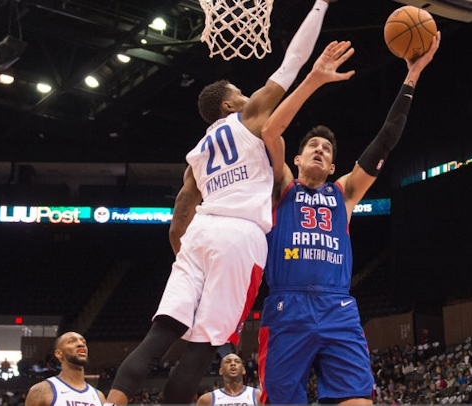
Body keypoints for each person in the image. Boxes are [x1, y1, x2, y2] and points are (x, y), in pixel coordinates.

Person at [104, 1, 335, 405]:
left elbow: (178, 223)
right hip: (240, 237)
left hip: (199, 235)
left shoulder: (196, 154)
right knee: (202, 348)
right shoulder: (248, 119)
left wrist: (192, 260)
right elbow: (291, 63)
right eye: (240, 94)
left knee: (159, 336)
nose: (248, 97)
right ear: (228, 105)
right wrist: (320, 6)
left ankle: (112, 402)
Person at [257, 32, 441, 405]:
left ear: (333, 165)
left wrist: (413, 74)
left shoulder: (345, 193)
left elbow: (386, 139)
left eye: (326, 149)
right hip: (286, 309)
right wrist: (315, 78)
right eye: (313, 146)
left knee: (359, 400)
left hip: (337, 308)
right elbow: (269, 130)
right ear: (297, 159)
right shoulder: (282, 189)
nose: (320, 151)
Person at [24, 332, 106, 406]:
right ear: (59, 354)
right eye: (71, 341)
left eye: (83, 342)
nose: (81, 344)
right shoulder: (41, 391)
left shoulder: (99, 397)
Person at [196, 353, 261, 406]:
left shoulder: (258, 395)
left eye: (237, 362)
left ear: (243, 370)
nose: (233, 364)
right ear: (220, 371)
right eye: (228, 362)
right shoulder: (207, 400)